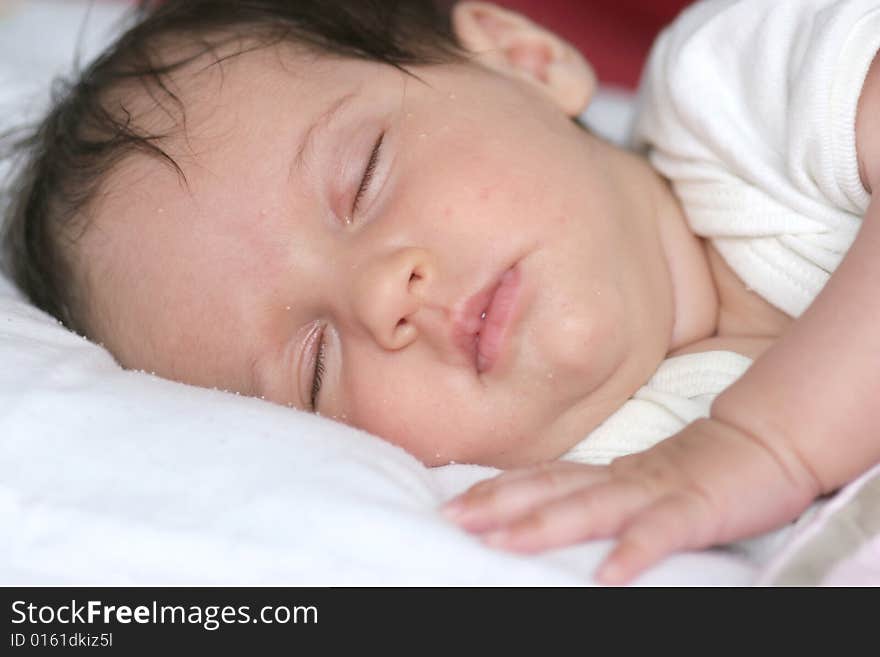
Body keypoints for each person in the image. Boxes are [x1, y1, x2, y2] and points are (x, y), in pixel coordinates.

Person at [1, 0, 878, 585]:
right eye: (314, 366)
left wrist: (768, 445)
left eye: (366, 177)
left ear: (523, 59)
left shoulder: (741, 98)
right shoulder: (583, 499)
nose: (385, 294)